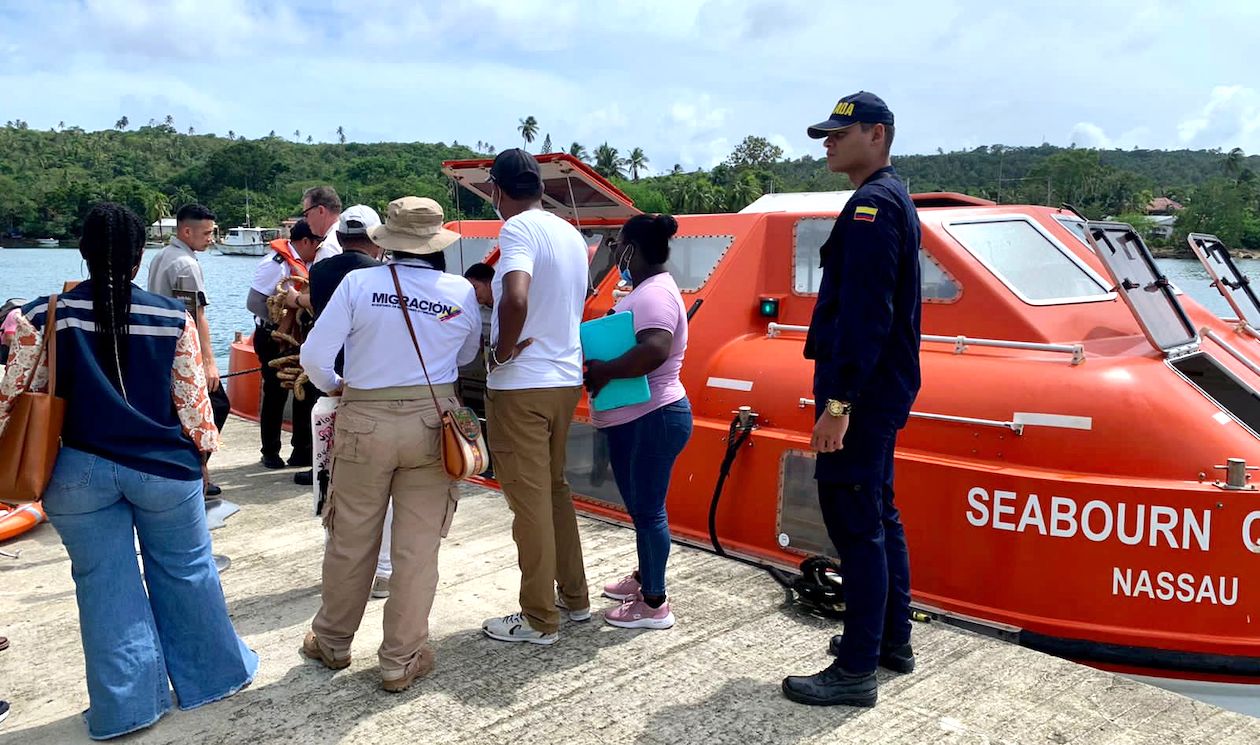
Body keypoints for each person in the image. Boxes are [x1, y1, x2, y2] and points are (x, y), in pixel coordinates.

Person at [0, 203, 256, 739]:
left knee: (104, 587)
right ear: (139, 259)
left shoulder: (41, 316)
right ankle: (212, 678)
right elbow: (195, 410)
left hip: (77, 472)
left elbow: (12, 399)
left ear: (83, 253)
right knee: (187, 573)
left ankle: (126, 709)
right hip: (162, 469)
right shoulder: (171, 317)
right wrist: (200, 458)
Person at [299, 196, 480, 692]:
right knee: (418, 547)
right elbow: (465, 355)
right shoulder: (460, 291)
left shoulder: (359, 283)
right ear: (436, 240)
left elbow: (314, 355)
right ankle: (400, 660)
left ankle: (333, 642)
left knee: (351, 537)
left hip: (364, 420)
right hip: (432, 421)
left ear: (388, 240)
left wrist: (339, 386)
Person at [781, 92, 922, 708]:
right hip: (880, 389)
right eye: (826, 134)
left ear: (878, 134)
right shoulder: (890, 198)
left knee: (855, 523)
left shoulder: (871, 207)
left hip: (859, 395)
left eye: (841, 133)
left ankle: (856, 669)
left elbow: (867, 315)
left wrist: (838, 406)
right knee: (880, 514)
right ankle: (890, 640)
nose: (828, 142)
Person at [479, 149, 590, 646]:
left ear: (499, 191)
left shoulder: (517, 230)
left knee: (529, 504)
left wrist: (500, 354)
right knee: (555, 491)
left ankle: (539, 619)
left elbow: (516, 296)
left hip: (522, 384)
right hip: (565, 380)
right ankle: (575, 598)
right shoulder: (570, 233)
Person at [583, 214, 692, 630]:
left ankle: (654, 604)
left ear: (632, 248)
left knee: (649, 512)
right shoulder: (648, 290)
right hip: (640, 418)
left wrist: (605, 370)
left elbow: (655, 349)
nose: (614, 253)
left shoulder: (654, 296)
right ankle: (646, 576)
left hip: (654, 417)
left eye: (617, 245)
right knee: (642, 508)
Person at [306, 204, 394, 599]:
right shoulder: (381, 275)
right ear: (377, 239)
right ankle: (384, 570)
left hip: (332, 386)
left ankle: (341, 568)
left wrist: (330, 384)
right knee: (386, 487)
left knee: (335, 484)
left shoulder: (320, 271)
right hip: (375, 388)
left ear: (338, 238)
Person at [147, 203, 229, 496]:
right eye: (206, 233)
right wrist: (209, 362)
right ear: (186, 231)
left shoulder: (162, 256)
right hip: (181, 351)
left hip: (161, 348)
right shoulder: (186, 264)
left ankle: (199, 473)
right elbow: (197, 315)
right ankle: (196, 468)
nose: (210, 238)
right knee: (217, 405)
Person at [246, 218, 333, 479]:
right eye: (317, 243)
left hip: (302, 337)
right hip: (273, 337)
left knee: (304, 389)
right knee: (275, 390)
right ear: (305, 241)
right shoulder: (274, 265)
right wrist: (281, 324)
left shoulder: (311, 265)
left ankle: (301, 450)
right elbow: (254, 302)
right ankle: (270, 451)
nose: (319, 249)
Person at [301, 185, 344, 255]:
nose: (306, 220)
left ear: (321, 210)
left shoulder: (328, 247)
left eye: (306, 214)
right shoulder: (348, 237)